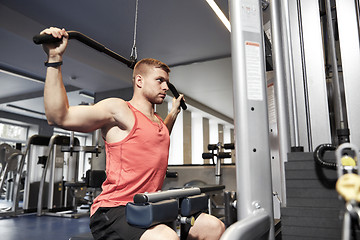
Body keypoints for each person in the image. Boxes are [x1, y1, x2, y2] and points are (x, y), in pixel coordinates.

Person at [40, 27, 225, 240]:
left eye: (167, 82)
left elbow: (159, 136)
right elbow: (59, 116)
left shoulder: (157, 122)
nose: (166, 87)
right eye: (159, 80)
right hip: (115, 210)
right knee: (166, 238)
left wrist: (173, 112)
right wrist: (54, 58)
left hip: (150, 205)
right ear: (139, 81)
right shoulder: (120, 110)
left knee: (214, 227)